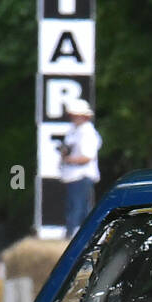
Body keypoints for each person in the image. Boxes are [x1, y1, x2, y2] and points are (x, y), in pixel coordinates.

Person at [59, 97, 101, 236]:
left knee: (78, 208)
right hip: (72, 176)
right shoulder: (74, 131)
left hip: (82, 175)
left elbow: (87, 157)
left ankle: (73, 236)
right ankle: (76, 234)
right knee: (74, 207)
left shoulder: (87, 133)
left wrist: (68, 159)